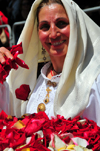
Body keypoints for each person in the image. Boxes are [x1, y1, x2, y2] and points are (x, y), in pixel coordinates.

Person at [0, 0, 100, 126]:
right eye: (45, 27)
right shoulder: (34, 78)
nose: (53, 34)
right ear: (38, 33)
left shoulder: (94, 80)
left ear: (76, 27)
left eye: (61, 23)